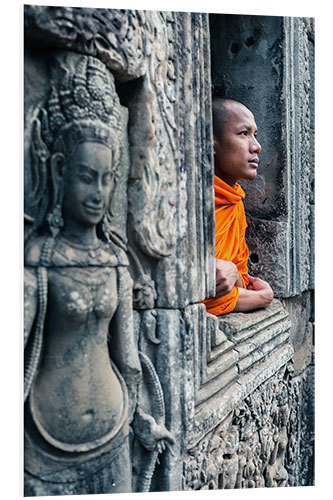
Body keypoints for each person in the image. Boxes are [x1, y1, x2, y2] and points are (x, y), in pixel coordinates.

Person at [24, 54, 173, 496]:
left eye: (107, 179)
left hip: (115, 434)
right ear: (57, 172)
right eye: (86, 177)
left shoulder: (114, 262)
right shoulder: (39, 262)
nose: (98, 193)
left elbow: (127, 360)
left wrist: (141, 420)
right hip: (44, 441)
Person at [203, 98, 274, 316]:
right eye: (243, 133)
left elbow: (235, 284)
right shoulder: (190, 202)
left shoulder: (234, 203)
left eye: (255, 134)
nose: (256, 146)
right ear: (212, 143)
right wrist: (261, 297)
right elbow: (202, 297)